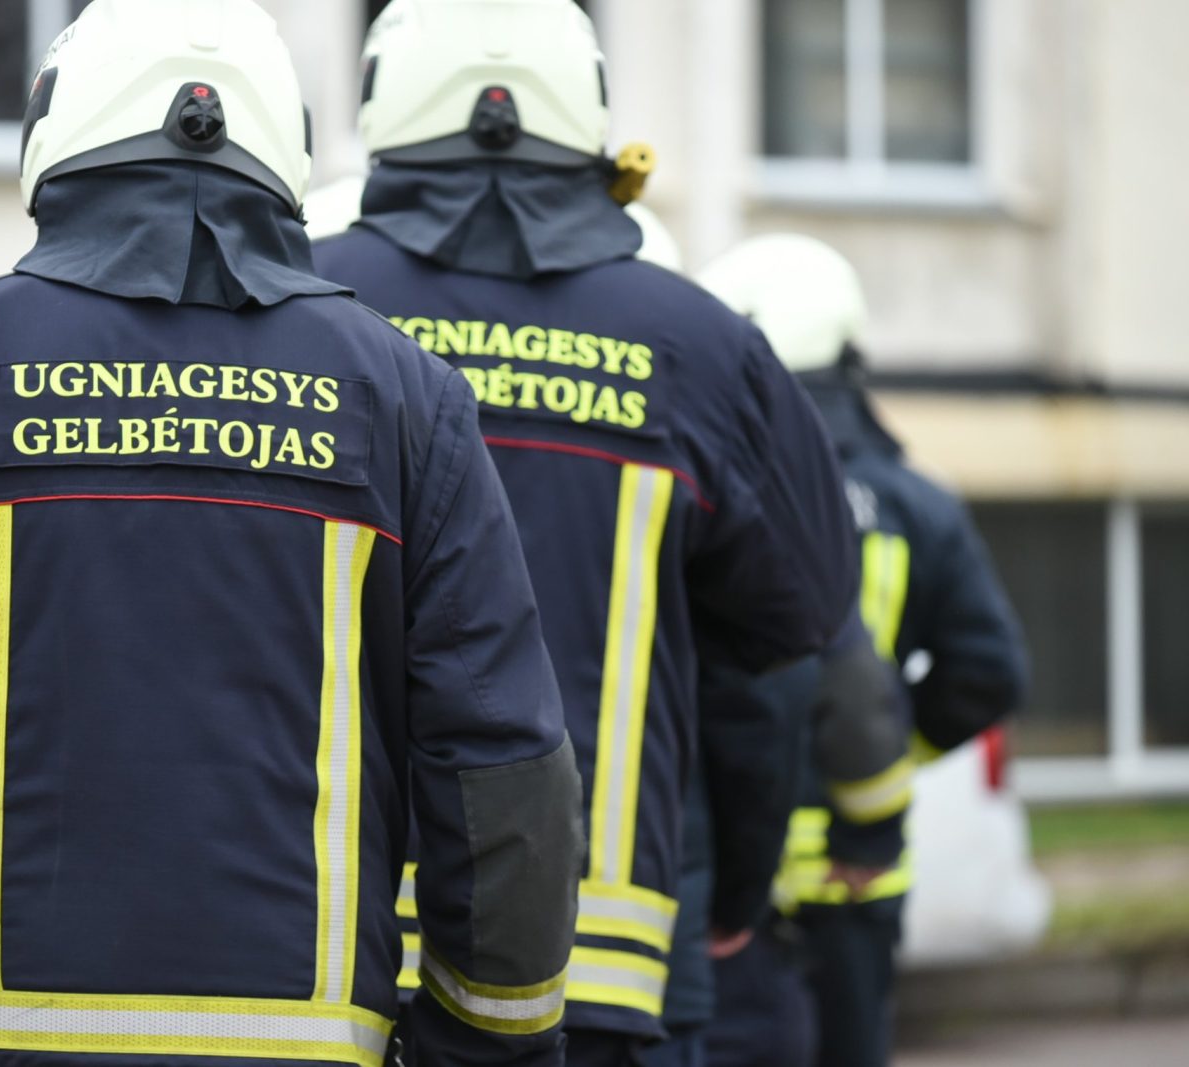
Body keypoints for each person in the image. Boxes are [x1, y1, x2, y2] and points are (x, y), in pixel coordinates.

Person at [0, 2, 584, 1064]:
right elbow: (501, 764)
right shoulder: (409, 403)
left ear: (57, 132)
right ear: (284, 147)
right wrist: (481, 1045)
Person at [312, 2, 909, 1062]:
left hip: (328, 956)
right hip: (598, 972)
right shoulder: (702, 345)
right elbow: (799, 623)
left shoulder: (298, 310)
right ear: (586, 111)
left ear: (381, 101)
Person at [700, 234, 1030, 1067]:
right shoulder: (919, 503)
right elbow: (989, 672)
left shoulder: (714, 484)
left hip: (721, 873)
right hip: (857, 870)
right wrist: (892, 749)